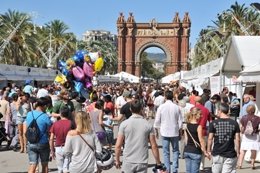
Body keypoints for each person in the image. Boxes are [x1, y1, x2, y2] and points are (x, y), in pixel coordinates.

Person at [115, 99, 161, 172]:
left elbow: (118, 146)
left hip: (128, 161)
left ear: (130, 109)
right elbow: (154, 145)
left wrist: (117, 160)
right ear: (141, 109)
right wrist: (158, 162)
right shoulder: (148, 125)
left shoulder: (124, 124)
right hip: (142, 160)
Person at [154, 90, 183, 173]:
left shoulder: (161, 107)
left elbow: (157, 120)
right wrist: (180, 131)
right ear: (172, 97)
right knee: (175, 151)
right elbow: (180, 121)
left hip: (164, 131)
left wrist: (156, 130)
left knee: (166, 152)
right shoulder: (176, 107)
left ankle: (167, 169)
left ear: (165, 97)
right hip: (174, 131)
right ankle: (174, 169)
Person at [207, 103, 240, 173]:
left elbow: (210, 138)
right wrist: (238, 151)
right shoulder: (234, 123)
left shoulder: (213, 123)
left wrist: (208, 150)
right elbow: (238, 139)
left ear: (220, 111)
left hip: (217, 153)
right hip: (230, 153)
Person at [25, 97, 52, 173]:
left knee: (32, 165)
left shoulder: (29, 114)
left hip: (31, 142)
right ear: (44, 106)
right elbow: (50, 129)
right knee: (44, 165)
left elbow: (27, 127)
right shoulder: (45, 116)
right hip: (43, 142)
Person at [184, 107, 208, 173]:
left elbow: (186, 140)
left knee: (188, 171)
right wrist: (205, 152)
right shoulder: (199, 127)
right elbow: (201, 140)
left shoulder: (186, 125)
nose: (201, 116)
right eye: (200, 114)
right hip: (195, 151)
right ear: (196, 115)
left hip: (187, 151)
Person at [237, 105, 260, 169]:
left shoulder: (243, 117)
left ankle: (240, 164)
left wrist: (242, 132)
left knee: (243, 151)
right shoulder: (258, 118)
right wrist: (257, 130)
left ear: (247, 110)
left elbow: (241, 127)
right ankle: (252, 164)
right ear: (254, 110)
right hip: (254, 136)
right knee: (253, 150)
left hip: (246, 136)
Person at [50, 107, 72, 173]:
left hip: (58, 147)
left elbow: (51, 139)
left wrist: (52, 151)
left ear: (60, 114)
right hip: (69, 147)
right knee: (67, 167)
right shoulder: (71, 124)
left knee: (60, 169)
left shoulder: (55, 124)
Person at [194, 96, 211, 171]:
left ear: (195, 101)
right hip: (203, 131)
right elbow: (210, 121)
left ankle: (195, 165)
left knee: (195, 148)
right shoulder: (206, 109)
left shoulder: (193, 109)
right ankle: (201, 165)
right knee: (203, 148)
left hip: (194, 131)